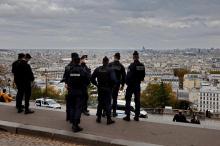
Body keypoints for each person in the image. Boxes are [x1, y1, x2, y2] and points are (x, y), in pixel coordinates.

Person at [65, 52, 90, 132]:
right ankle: (75, 125)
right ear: (79, 61)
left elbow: (66, 79)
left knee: (72, 107)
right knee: (78, 108)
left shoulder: (69, 69)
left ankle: (72, 122)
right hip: (79, 92)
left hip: (71, 91)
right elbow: (87, 81)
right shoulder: (82, 70)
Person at [91, 56, 117, 125]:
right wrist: (112, 86)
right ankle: (108, 119)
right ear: (108, 62)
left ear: (102, 62)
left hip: (100, 88)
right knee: (108, 104)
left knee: (100, 103)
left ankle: (98, 118)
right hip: (108, 89)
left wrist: (96, 84)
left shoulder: (98, 69)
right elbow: (114, 80)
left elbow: (92, 78)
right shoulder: (110, 70)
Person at [123, 51, 145, 122]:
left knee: (128, 100)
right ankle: (136, 116)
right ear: (138, 57)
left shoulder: (131, 66)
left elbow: (128, 76)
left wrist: (127, 83)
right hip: (137, 85)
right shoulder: (142, 66)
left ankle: (128, 116)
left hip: (131, 85)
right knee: (137, 101)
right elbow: (143, 76)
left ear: (133, 57)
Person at [109, 53, 126, 117]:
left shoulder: (110, 64)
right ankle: (114, 112)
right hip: (117, 84)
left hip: (110, 84)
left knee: (109, 98)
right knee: (115, 98)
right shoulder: (121, 66)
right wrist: (122, 85)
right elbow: (124, 77)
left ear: (114, 57)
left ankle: (107, 111)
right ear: (119, 58)